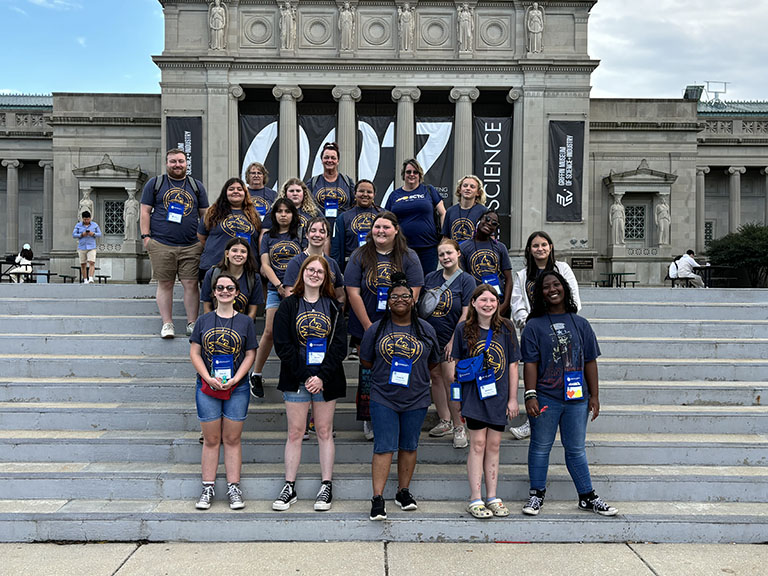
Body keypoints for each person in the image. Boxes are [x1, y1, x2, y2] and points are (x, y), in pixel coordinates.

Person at [520, 270, 617, 517]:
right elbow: (530, 363)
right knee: (541, 446)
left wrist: (594, 395)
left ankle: (587, 496)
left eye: (556, 285)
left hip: (576, 399)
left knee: (575, 449)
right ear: (539, 294)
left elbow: (590, 361)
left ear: (565, 288)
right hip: (546, 397)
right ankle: (536, 495)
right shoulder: (534, 326)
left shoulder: (580, 323)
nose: (552, 290)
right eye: (545, 287)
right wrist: (530, 394)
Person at [360, 273, 440, 521]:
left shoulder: (426, 329)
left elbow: (433, 363)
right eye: (394, 296)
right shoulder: (376, 328)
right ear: (387, 301)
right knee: (384, 447)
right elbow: (366, 361)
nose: (401, 300)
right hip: (384, 396)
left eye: (406, 296)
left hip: (416, 397)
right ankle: (377, 498)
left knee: (409, 446)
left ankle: (403, 492)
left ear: (414, 300)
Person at [272, 256, 347, 511]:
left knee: (324, 432)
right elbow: (282, 346)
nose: (314, 274)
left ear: (326, 277)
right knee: (295, 433)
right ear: (302, 272)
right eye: (310, 270)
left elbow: (339, 347)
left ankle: (326, 485)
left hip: (327, 379)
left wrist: (321, 377)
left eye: (320, 271)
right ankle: (289, 486)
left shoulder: (334, 307)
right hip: (296, 379)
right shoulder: (288, 305)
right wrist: (306, 377)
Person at [345, 211, 424, 439]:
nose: (380, 231)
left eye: (386, 227)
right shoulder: (360, 255)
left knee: (397, 365)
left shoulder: (408, 256)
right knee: (369, 372)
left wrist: (394, 325)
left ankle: (398, 417)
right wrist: (370, 327)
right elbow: (353, 292)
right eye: (377, 227)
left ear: (396, 230)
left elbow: (415, 291)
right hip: (366, 324)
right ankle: (369, 418)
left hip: (401, 325)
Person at [189, 272, 258, 510]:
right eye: (220, 288)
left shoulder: (246, 322)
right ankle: (208, 487)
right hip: (207, 386)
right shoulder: (203, 320)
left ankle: (233, 487)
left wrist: (238, 378)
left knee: (232, 438)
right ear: (214, 292)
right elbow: (195, 353)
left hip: (236, 387)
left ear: (237, 293)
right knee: (211, 439)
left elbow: (251, 353)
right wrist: (208, 377)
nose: (225, 292)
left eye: (230, 288)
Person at [452, 284, 520, 518]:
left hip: (498, 396)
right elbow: (457, 366)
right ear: (473, 303)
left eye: (493, 300)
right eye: (483, 300)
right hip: (473, 395)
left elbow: (512, 365)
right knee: (477, 444)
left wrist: (513, 398)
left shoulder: (507, 328)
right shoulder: (463, 329)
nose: (488, 304)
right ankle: (475, 498)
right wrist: (458, 399)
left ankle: (492, 495)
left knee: (494, 445)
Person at [509, 230, 581, 440]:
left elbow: (574, 299)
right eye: (535, 246)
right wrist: (530, 322)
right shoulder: (523, 276)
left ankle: (563, 415)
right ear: (529, 251)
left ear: (550, 247)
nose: (540, 249)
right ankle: (532, 420)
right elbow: (517, 305)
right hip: (534, 333)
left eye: (544, 245)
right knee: (534, 376)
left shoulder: (563, 269)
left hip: (562, 331)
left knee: (559, 374)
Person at [140, 148, 209, 338]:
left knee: (191, 283)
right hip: (161, 243)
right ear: (166, 163)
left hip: (191, 245)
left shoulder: (196, 186)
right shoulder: (155, 184)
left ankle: (192, 323)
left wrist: (203, 241)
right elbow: (145, 211)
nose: (177, 165)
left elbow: (205, 215)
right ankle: (167, 324)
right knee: (165, 283)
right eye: (173, 161)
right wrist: (146, 238)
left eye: (180, 161)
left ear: (187, 163)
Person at [422, 238, 476, 448]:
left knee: (451, 379)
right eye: (441, 254)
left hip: (452, 338)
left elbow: (466, 313)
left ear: (458, 254)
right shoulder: (431, 277)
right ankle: (444, 420)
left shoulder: (466, 280)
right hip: (431, 338)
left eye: (449, 253)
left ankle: (459, 425)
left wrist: (454, 340)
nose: (445, 257)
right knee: (435, 376)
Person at [251, 199, 305, 398]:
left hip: (300, 290)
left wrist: (293, 287)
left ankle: (298, 374)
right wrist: (279, 286)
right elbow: (265, 265)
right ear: (273, 215)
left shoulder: (300, 235)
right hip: (276, 289)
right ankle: (256, 374)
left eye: (287, 211)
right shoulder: (268, 237)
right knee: (270, 331)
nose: (283, 215)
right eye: (279, 211)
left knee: (297, 333)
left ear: (293, 214)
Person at [385, 158, 446, 274]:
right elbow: (387, 219)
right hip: (402, 248)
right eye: (408, 172)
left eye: (415, 172)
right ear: (404, 174)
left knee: (427, 282)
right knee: (404, 283)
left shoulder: (428, 190)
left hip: (428, 247)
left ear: (420, 175)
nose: (412, 174)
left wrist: (444, 237)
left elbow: (443, 213)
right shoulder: (394, 195)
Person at [197, 177, 261, 283]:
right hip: (215, 266)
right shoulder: (212, 213)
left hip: (246, 269)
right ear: (225, 192)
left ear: (245, 193)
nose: (235, 191)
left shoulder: (254, 215)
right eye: (231, 189)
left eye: (239, 189)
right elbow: (201, 237)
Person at [459, 210, 512, 315]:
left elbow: (509, 278)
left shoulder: (500, 247)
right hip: (475, 303)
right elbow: (462, 279)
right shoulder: (463, 247)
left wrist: (505, 304)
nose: (489, 223)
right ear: (479, 220)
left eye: (494, 223)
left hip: (497, 301)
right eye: (487, 219)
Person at [283, 216, 345, 304]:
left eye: (322, 231)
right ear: (306, 235)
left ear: (327, 236)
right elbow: (289, 294)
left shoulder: (332, 263)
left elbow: (340, 295)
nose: (317, 235)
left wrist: (336, 315)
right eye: (313, 231)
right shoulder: (295, 262)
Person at [201, 237, 263, 320]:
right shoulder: (212, 274)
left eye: (243, 252)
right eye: (234, 250)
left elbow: (252, 312)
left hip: (242, 327)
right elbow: (207, 307)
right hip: (215, 325)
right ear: (227, 253)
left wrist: (243, 327)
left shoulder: (253, 278)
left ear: (247, 255)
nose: (239, 254)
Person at [332, 179, 381, 272]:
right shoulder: (343, 217)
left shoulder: (383, 215)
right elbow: (336, 248)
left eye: (369, 192)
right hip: (351, 265)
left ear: (374, 195)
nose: (365, 194)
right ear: (355, 193)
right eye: (361, 191)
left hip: (377, 264)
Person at [305, 142, 355, 232]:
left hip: (342, 228)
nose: (329, 160)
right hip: (319, 230)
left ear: (338, 161)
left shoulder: (347, 181)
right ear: (321, 160)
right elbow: (306, 205)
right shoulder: (313, 182)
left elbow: (354, 204)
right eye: (326, 157)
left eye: (333, 158)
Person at [442, 175, 487, 243]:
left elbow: (488, 237)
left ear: (478, 192)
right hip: (455, 251)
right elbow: (446, 237)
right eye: (465, 186)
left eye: (472, 187)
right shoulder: (450, 211)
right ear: (459, 190)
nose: (468, 188)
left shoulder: (484, 211)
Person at [72, 210, 102, 284]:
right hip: (82, 247)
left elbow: (99, 234)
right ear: (82, 218)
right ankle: (85, 279)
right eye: (85, 219)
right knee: (83, 264)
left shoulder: (94, 225)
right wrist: (81, 235)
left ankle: (91, 278)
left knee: (91, 262)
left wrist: (93, 234)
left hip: (91, 246)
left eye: (87, 219)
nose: (86, 221)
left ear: (90, 218)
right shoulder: (78, 225)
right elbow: (74, 234)